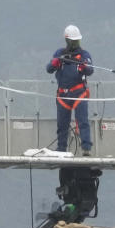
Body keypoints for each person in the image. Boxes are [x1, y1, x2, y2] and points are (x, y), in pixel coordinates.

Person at [45, 24, 95, 155]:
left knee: (82, 120)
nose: (75, 44)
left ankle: (86, 148)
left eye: (77, 41)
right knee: (62, 124)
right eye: (73, 41)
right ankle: (61, 148)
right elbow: (49, 69)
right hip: (63, 95)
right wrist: (55, 62)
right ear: (67, 40)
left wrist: (84, 66)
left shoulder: (84, 55)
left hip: (79, 93)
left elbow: (90, 70)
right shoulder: (59, 54)